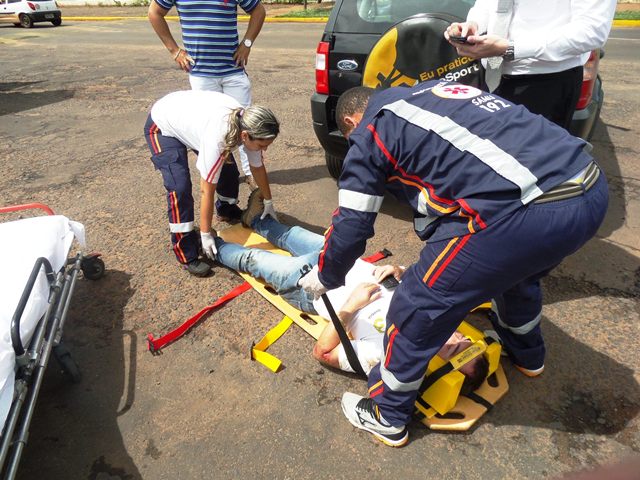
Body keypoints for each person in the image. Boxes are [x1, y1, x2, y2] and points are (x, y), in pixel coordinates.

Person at [298, 82, 608, 447]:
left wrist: (328, 273)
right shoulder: (435, 91)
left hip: (523, 214)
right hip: (588, 187)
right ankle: (528, 355)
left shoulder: (371, 130)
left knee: (415, 307)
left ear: (352, 120)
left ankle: (387, 414)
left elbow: (352, 224)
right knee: (517, 278)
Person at [213, 192, 488, 392]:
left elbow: (323, 352)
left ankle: (207, 245)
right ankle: (253, 219)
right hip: (337, 259)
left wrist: (350, 307)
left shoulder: (388, 356)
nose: (455, 339)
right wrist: (399, 271)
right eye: (463, 341)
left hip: (312, 287)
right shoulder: (434, 311)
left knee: (252, 261)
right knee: (288, 233)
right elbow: (420, 273)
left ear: (439, 363)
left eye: (453, 352)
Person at [148, 0, 267, 221]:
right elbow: (155, 12)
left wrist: (247, 43)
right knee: (216, 136)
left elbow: (258, 10)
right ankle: (221, 193)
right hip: (202, 75)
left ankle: (252, 179)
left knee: (247, 127)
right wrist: (175, 51)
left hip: (233, 71)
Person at [144, 90, 279, 277]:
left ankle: (226, 209)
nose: (264, 149)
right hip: (162, 125)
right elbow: (206, 190)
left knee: (229, 170)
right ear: (245, 136)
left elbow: (257, 167)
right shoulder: (219, 138)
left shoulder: (248, 124)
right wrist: (206, 234)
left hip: (193, 120)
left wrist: (269, 201)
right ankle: (186, 251)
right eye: (262, 145)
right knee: (179, 187)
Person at [444, 0, 616, 130]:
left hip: (544, 85)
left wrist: (510, 48)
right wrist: (471, 25)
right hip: (489, 74)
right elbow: (487, 5)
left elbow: (592, 31)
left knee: (533, 164)